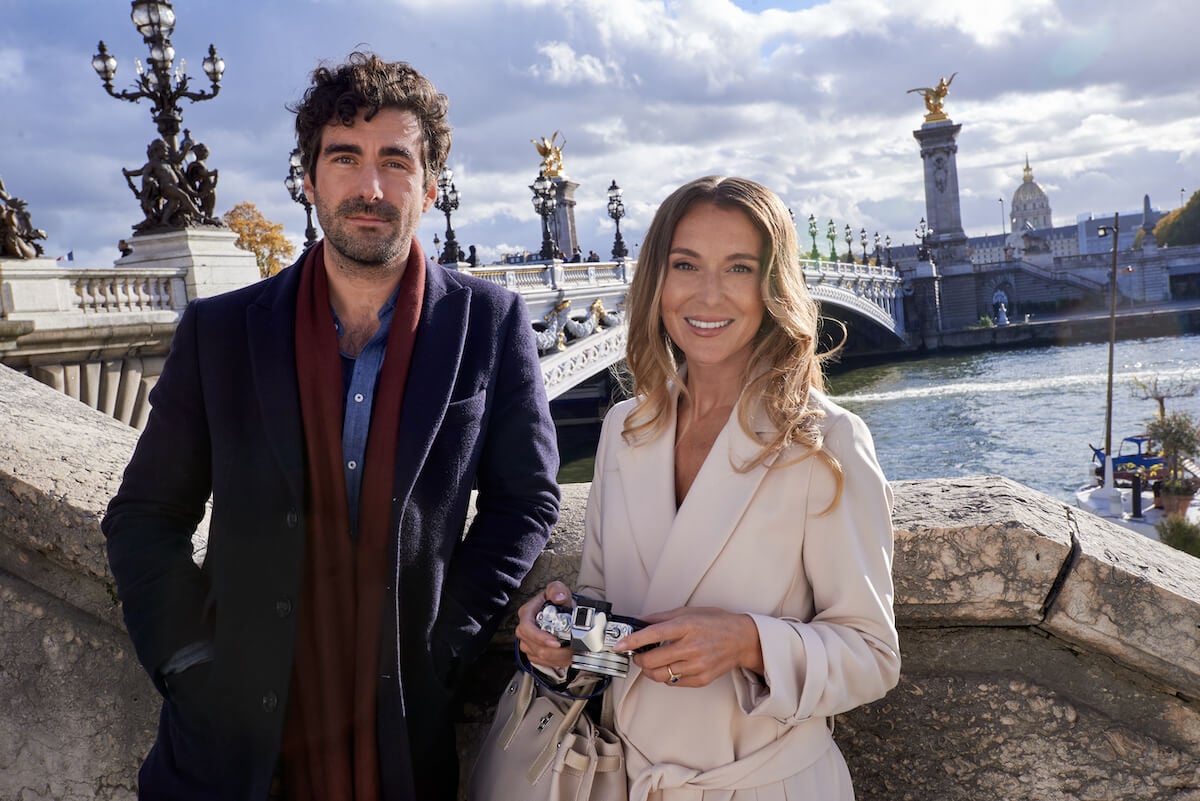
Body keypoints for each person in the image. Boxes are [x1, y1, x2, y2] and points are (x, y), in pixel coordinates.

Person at [103, 52, 560, 801]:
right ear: (309, 179)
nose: (370, 187)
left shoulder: (489, 323)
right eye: (344, 158)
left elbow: (528, 500)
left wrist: (445, 646)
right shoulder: (219, 333)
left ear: (432, 185)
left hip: (405, 739)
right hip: (227, 753)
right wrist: (188, 665)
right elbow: (144, 516)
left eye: (395, 162)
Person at [515, 175, 899, 800]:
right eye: (686, 264)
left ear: (774, 287)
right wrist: (559, 639)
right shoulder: (625, 428)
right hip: (625, 780)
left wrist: (749, 642)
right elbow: (608, 607)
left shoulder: (825, 441)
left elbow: (873, 656)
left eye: (740, 268)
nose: (709, 294)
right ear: (657, 282)